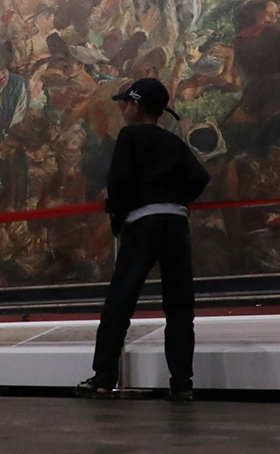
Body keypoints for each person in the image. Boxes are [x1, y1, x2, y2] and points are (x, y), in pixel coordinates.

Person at [76, 78, 209, 401]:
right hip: (175, 223)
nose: (123, 108)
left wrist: (118, 219)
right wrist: (177, 199)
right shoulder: (173, 141)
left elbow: (119, 181)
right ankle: (182, 383)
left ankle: (103, 378)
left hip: (143, 223)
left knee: (121, 300)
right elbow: (199, 176)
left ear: (135, 105)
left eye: (126, 102)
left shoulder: (129, 136)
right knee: (179, 305)